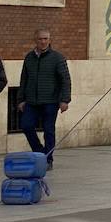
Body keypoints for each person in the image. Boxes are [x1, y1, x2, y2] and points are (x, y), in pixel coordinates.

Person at [16, 29, 70, 168]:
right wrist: (21, 99)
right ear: (35, 40)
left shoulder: (57, 57)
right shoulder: (29, 57)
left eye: (46, 39)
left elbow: (65, 80)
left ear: (50, 40)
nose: (43, 41)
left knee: (48, 130)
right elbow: (24, 79)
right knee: (26, 125)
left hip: (50, 101)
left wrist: (65, 100)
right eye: (40, 39)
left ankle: (48, 159)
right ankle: (40, 152)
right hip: (31, 101)